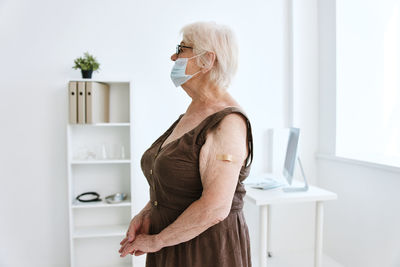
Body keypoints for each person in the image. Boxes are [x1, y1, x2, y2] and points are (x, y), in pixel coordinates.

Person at [119, 21, 254, 267]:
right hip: (170, 242)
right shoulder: (194, 112)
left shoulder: (229, 123)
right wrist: (148, 213)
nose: (173, 56)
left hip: (206, 251)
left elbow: (215, 209)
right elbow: (177, 181)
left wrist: (155, 241)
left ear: (207, 60)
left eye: (182, 49)